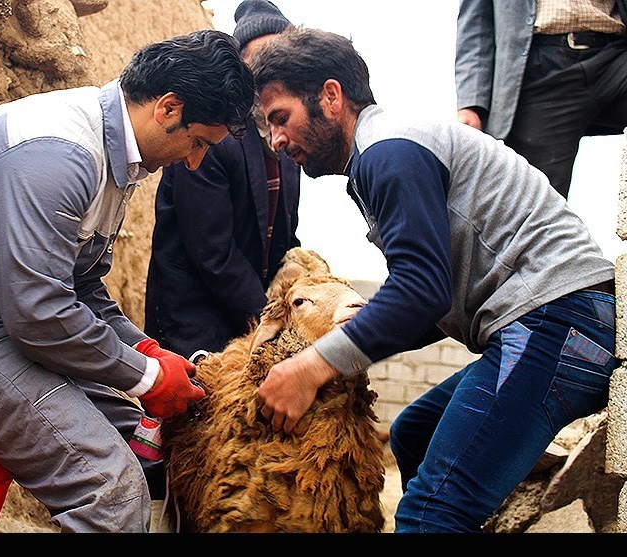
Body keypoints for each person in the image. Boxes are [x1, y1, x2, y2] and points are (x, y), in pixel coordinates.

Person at [0, 29, 255, 533]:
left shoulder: (115, 158)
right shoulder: (59, 151)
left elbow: (83, 287)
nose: (194, 160)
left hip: (2, 328)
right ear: (167, 108)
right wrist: (147, 378)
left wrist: (148, 352)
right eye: (198, 141)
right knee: (107, 485)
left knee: (148, 451)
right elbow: (39, 312)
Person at [249, 26, 617, 533]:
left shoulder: (389, 151)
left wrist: (312, 367)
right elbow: (432, 293)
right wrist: (360, 330)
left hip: (556, 324)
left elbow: (421, 290)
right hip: (555, 324)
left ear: (331, 97)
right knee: (415, 431)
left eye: (280, 118)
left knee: (430, 511)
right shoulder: (384, 152)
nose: (276, 140)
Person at [144, 0, 301, 360]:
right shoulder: (211, 135)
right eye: (263, 58)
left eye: (285, 56)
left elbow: (283, 234)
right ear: (243, 68)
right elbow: (212, 252)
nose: (275, 68)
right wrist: (269, 322)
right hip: (194, 321)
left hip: (246, 320)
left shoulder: (287, 137)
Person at [455, 0, 627, 199]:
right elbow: (476, 23)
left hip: (614, 54)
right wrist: (472, 104)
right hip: (542, 66)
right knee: (538, 201)